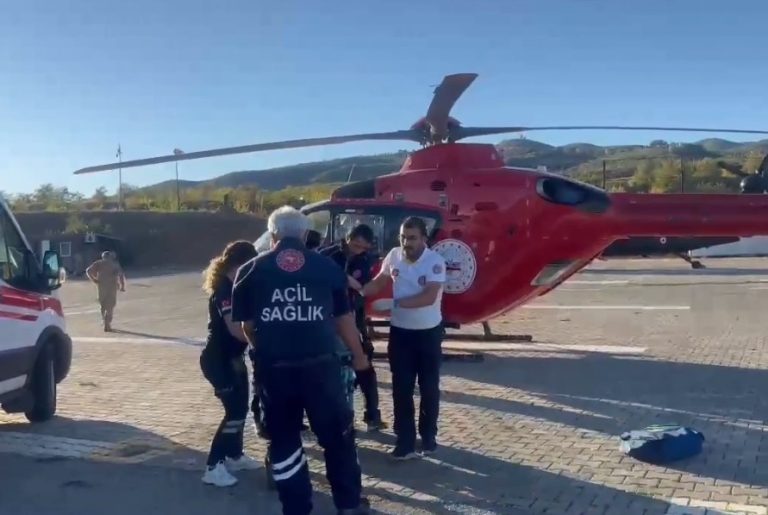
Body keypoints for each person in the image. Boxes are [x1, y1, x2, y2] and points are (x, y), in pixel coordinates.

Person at [232, 205, 371, 515]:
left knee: (284, 442)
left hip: (275, 372)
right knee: (338, 439)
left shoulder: (250, 271)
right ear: (306, 234)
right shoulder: (327, 268)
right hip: (321, 369)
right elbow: (343, 320)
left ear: (272, 235)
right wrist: (360, 358)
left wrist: (267, 348)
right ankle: (348, 505)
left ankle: (297, 508)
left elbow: (248, 327)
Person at [360, 216, 446, 460]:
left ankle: (428, 437)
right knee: (401, 387)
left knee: (428, 387)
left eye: (412, 238)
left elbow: (429, 297)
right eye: (402, 237)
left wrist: (395, 303)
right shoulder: (394, 256)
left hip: (428, 333)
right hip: (400, 333)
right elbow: (379, 282)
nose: (406, 242)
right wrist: (358, 291)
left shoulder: (434, 261)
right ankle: (405, 441)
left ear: (423, 239)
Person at [199, 240, 263, 487]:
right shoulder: (224, 290)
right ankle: (213, 467)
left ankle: (235, 456)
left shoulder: (234, 286)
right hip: (219, 360)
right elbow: (236, 330)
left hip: (234, 359)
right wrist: (260, 340)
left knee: (241, 410)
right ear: (238, 265)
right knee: (234, 413)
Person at [319, 224, 386, 432]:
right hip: (326, 317)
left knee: (364, 361)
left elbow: (364, 287)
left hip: (353, 316)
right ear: (347, 238)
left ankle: (372, 414)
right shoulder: (327, 255)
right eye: (356, 241)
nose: (359, 247)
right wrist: (343, 278)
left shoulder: (365, 261)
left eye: (364, 244)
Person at [85, 251, 125, 332]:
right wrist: (122, 286)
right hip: (112, 287)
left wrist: (94, 279)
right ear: (110, 257)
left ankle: (105, 321)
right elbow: (121, 275)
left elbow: (88, 270)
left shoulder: (98, 263)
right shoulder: (114, 264)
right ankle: (107, 323)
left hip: (101, 286)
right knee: (110, 306)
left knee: (103, 305)